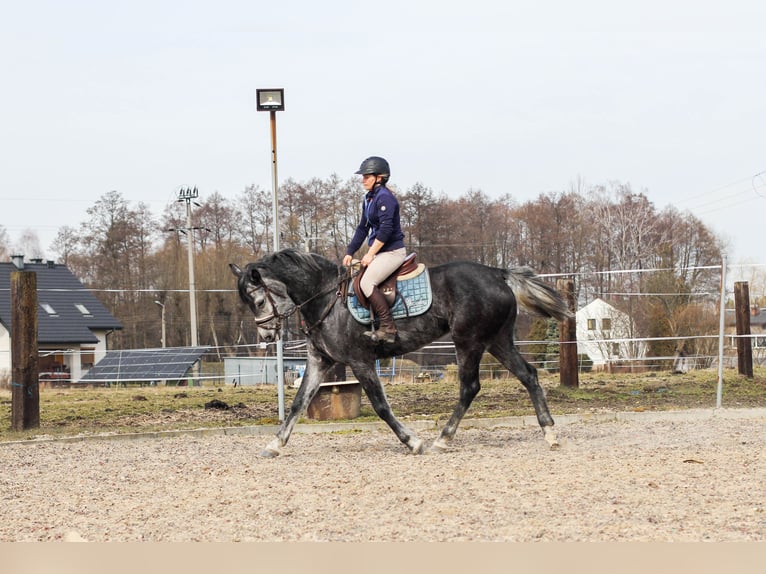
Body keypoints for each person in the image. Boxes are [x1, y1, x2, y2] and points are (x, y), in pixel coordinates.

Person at [343, 156, 406, 343]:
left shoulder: (385, 197)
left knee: (366, 283)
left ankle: (388, 327)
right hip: (380, 252)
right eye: (363, 177)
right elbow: (363, 228)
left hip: (393, 252)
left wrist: (370, 254)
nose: (363, 180)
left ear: (379, 177)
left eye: (367, 177)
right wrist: (349, 251)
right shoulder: (369, 198)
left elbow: (386, 230)